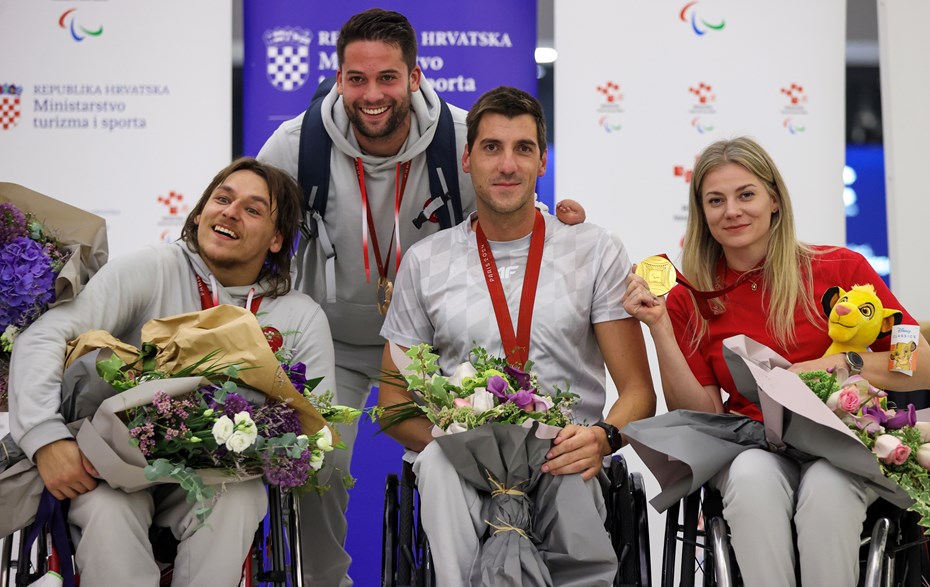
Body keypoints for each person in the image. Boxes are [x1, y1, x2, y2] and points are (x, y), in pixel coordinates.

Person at [257, 8, 581, 584]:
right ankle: (326, 579)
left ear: (415, 76)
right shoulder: (294, 144)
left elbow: (508, 205)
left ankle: (506, 565)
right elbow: (255, 231)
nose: (372, 93)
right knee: (320, 461)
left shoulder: (461, 140)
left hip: (427, 345)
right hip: (328, 341)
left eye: (387, 77)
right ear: (338, 78)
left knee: (494, 445)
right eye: (357, 78)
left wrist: (565, 225)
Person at [8, 157, 337, 586]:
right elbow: (44, 336)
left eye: (253, 209)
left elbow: (319, 430)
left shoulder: (298, 316)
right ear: (200, 213)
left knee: (237, 499)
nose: (231, 212)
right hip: (110, 469)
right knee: (108, 510)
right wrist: (46, 439)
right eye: (222, 199)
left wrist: (274, 447)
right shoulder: (152, 268)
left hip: (217, 479)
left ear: (276, 239)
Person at [622, 136, 930, 587]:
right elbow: (704, 415)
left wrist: (842, 364)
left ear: (774, 201)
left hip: (846, 439)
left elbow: (917, 361)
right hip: (754, 445)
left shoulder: (840, 268)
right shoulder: (690, 298)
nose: (732, 211)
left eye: (745, 194)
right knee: (750, 478)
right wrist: (661, 330)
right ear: (702, 215)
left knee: (827, 489)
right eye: (716, 200)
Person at [378, 86, 656, 585]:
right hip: (462, 463)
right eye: (491, 147)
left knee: (572, 472)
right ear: (467, 159)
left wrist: (602, 437)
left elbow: (638, 392)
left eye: (523, 148)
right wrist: (455, 442)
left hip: (564, 453)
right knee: (437, 466)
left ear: (542, 162)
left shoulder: (592, 250)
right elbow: (394, 400)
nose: (507, 164)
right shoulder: (426, 261)